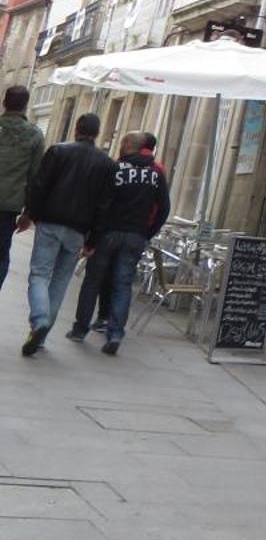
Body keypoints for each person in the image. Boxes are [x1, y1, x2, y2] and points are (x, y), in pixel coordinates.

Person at [67, 132, 170, 353]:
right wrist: (147, 233)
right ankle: (115, 334)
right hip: (135, 235)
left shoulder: (114, 169)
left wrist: (91, 238)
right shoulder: (155, 174)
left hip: (108, 233)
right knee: (122, 285)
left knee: (93, 281)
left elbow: (100, 205)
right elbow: (164, 208)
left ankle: (80, 328)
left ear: (126, 146)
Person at [23, 113, 114, 356]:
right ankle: (41, 336)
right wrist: (93, 239)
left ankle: (40, 320)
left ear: (76, 129)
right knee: (61, 280)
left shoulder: (57, 152)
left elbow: (40, 185)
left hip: (51, 221)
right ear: (97, 133)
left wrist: (32, 213)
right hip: (79, 230)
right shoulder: (106, 164)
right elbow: (104, 205)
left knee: (40, 273)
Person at [0, 86, 43, 295]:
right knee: (1, 254)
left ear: (4, 102)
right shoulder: (34, 135)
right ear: (26, 106)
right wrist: (29, 213)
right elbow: (35, 177)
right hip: (8, 206)